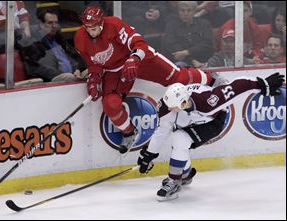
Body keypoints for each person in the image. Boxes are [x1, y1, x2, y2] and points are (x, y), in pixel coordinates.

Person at [74, 6, 213, 153]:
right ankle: (129, 132)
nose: (90, 30)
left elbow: (139, 42)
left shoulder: (114, 25)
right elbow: (93, 63)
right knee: (110, 104)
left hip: (138, 59)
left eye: (94, 27)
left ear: (101, 23)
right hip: (113, 71)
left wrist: (134, 59)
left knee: (177, 77)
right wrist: (94, 80)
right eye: (87, 27)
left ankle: (210, 79)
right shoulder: (80, 38)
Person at [137, 72, 285, 201]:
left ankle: (174, 180)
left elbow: (238, 86)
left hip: (212, 122)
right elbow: (161, 132)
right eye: (168, 105)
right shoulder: (166, 108)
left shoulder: (208, 101)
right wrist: (149, 155)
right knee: (179, 139)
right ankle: (185, 175)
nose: (169, 108)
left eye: (173, 106)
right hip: (189, 120)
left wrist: (262, 84)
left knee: (180, 138)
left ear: (184, 102)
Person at [21, 9, 86, 82]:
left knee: (92, 71)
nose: (54, 26)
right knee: (69, 77)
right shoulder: (34, 42)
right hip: (52, 79)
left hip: (73, 74)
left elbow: (77, 57)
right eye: (50, 23)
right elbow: (36, 68)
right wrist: (62, 74)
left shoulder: (59, 39)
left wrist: (78, 69)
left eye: (56, 22)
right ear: (41, 24)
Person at [161, 1, 214, 67]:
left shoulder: (205, 24)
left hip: (204, 60)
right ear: (178, 11)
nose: (185, 14)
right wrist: (192, 61)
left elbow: (208, 45)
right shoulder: (171, 26)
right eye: (182, 10)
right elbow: (173, 49)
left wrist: (187, 52)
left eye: (189, 10)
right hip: (182, 62)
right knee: (179, 65)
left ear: (194, 11)